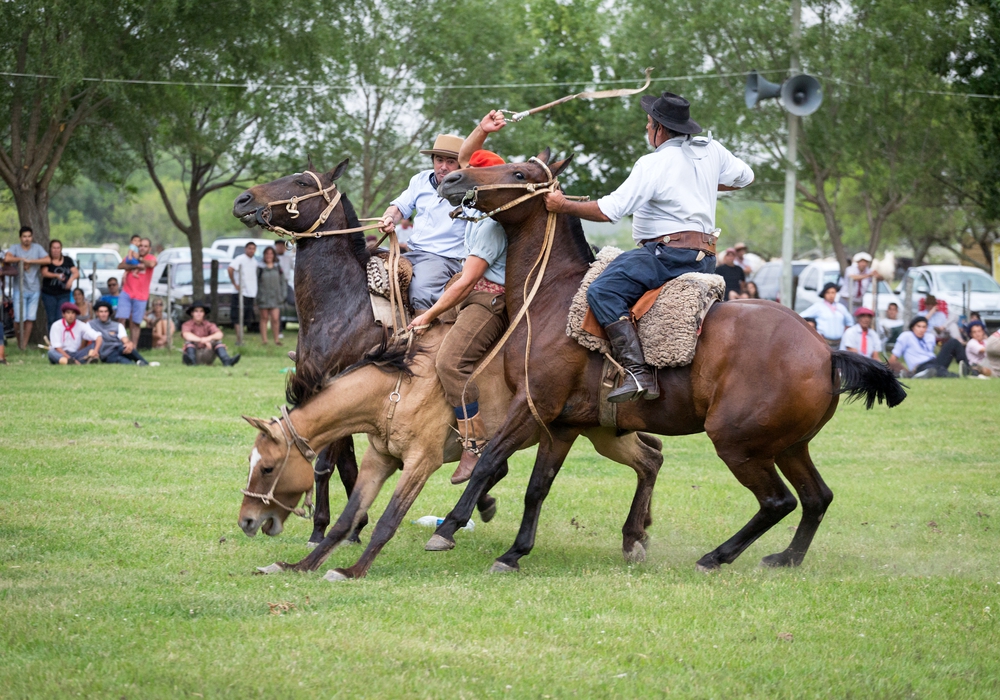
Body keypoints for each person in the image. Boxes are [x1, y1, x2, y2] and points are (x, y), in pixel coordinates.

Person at [544, 91, 754, 401]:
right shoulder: (712, 149)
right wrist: (705, 182)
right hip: (705, 257)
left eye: (648, 124)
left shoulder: (653, 163)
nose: (646, 129)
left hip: (668, 256)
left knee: (602, 291)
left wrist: (563, 206)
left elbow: (607, 211)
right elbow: (745, 177)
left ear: (659, 128)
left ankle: (637, 373)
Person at [407, 110, 511, 483]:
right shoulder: (479, 212)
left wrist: (428, 313)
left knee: (450, 363)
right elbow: (467, 155)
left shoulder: (490, 223)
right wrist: (482, 130)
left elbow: (467, 283)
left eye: (466, 176)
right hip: (471, 295)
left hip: (488, 300)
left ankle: (474, 445)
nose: (456, 177)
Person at [378, 133, 469, 313]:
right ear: (433, 160)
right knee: (370, 266)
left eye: (451, 161)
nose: (443, 167)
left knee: (420, 291)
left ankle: (423, 334)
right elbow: (399, 207)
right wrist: (388, 217)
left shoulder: (469, 190)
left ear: (460, 164)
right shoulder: (420, 180)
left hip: (443, 259)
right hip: (411, 253)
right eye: (439, 160)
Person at [3, 226, 51, 350]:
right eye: (24, 236)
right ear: (20, 238)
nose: (27, 239)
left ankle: (23, 345)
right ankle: (19, 343)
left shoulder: (37, 248)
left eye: (29, 236)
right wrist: (21, 260)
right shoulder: (15, 248)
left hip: (34, 288)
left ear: (32, 237)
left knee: (30, 318)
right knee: (19, 319)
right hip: (19, 288)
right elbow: (7, 258)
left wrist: (31, 262)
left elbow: (48, 259)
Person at [889, 316, 966, 378]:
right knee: (936, 369)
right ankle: (954, 375)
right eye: (918, 326)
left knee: (954, 342)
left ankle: (968, 369)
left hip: (934, 361)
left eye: (924, 327)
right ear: (913, 327)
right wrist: (907, 372)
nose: (921, 329)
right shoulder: (906, 336)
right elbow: (892, 359)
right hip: (920, 365)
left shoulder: (929, 337)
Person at [117, 237, 157, 341]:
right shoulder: (131, 257)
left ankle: (133, 348)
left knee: (135, 323)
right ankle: (122, 344)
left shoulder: (151, 258)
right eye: (140, 246)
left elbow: (151, 264)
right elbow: (120, 265)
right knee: (121, 318)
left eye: (145, 246)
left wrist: (139, 258)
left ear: (149, 249)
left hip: (141, 295)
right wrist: (133, 265)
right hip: (127, 292)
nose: (142, 248)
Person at [181, 300, 240, 366]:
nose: (199, 313)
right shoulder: (187, 324)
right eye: (196, 311)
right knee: (189, 342)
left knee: (217, 342)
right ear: (192, 313)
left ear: (204, 313)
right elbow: (186, 335)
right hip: (194, 352)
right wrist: (202, 340)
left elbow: (220, 334)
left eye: (201, 311)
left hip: (207, 353)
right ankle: (191, 362)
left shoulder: (209, 324)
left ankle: (227, 361)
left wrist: (208, 338)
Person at [90, 301, 149, 365]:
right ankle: (137, 364)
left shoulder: (117, 325)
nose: (103, 314)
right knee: (121, 360)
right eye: (101, 312)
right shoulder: (90, 325)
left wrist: (128, 344)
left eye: (106, 311)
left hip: (119, 349)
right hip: (106, 354)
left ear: (109, 313)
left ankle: (146, 363)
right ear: (97, 313)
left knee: (128, 347)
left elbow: (124, 338)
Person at [800, 283, 852, 348]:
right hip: (823, 343)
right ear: (824, 294)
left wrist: (844, 334)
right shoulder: (818, 307)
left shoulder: (841, 307)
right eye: (828, 293)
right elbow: (801, 316)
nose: (831, 295)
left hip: (840, 343)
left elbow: (850, 323)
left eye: (833, 292)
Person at [40, 239, 78, 326]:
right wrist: (56, 275)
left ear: (61, 249)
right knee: (51, 318)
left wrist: (71, 280)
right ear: (50, 249)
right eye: (54, 248)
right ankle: (52, 338)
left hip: (64, 293)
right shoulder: (47, 260)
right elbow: (44, 273)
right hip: (49, 294)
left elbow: (76, 272)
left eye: (58, 248)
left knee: (60, 317)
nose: (56, 250)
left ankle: (61, 338)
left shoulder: (67, 260)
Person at [256, 246, 286, 345]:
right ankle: (264, 340)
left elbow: (283, 282)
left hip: (276, 297)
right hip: (263, 297)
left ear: (274, 255)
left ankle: (276, 339)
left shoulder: (278, 267)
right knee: (264, 318)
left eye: (271, 253)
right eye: (267, 254)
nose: (269, 256)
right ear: (264, 255)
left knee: (275, 319)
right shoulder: (260, 268)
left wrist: (283, 295)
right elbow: (256, 282)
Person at [228, 241, 258, 333]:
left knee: (247, 314)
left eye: (253, 249)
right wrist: (234, 283)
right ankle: (238, 335)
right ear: (245, 249)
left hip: (251, 292)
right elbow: (230, 269)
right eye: (249, 248)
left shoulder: (255, 262)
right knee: (237, 315)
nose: (251, 251)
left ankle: (243, 332)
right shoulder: (240, 259)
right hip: (240, 292)